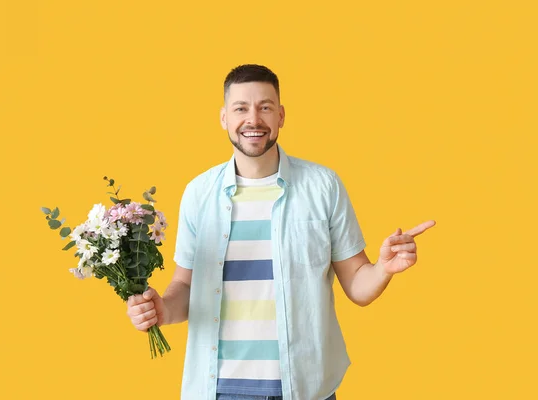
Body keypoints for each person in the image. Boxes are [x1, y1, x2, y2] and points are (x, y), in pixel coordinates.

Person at [126, 64, 436, 400]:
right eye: (241, 108)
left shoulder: (323, 186)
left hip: (304, 388)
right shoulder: (199, 194)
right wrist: (160, 309)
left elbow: (358, 286)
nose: (253, 120)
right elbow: (185, 285)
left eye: (265, 107)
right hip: (218, 388)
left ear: (281, 116)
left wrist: (383, 269)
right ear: (224, 118)